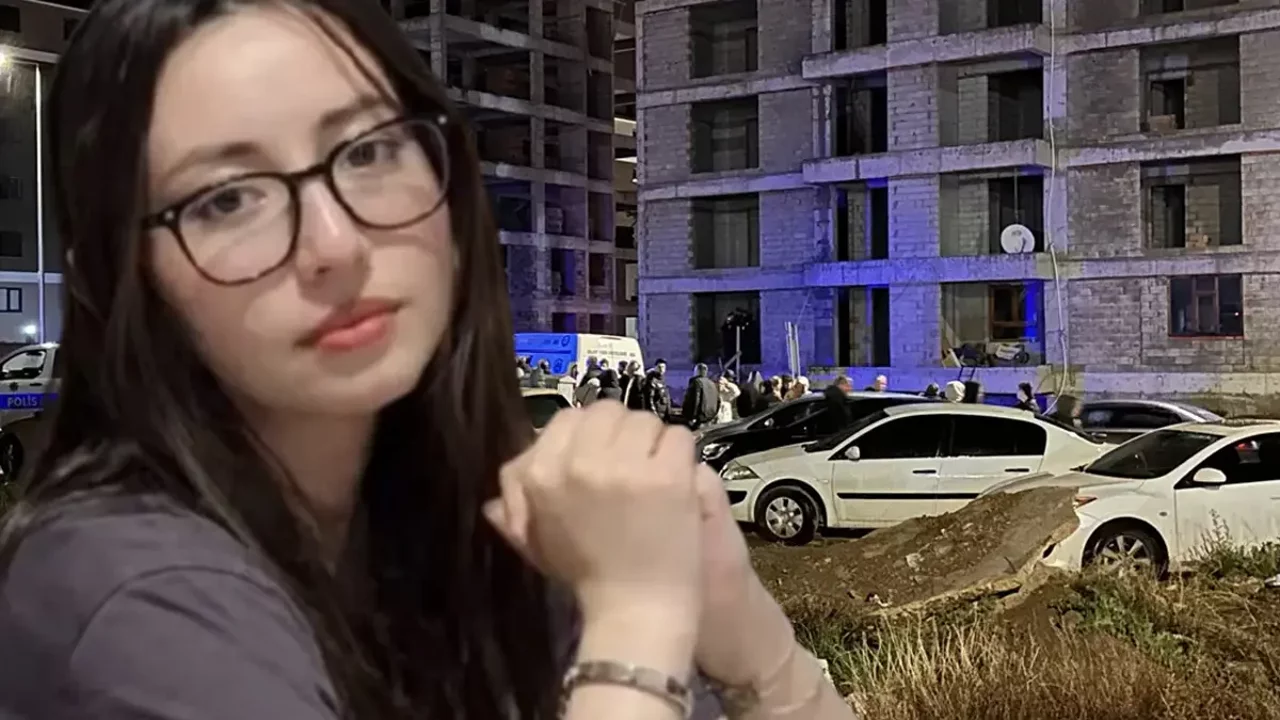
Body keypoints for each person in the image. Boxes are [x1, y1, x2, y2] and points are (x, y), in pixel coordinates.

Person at [0, 3, 855, 720]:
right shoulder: (132, 599)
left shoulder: (469, 519)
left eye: (369, 151)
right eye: (229, 199)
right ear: (115, 277)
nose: (336, 243)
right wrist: (638, 619)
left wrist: (743, 632)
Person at [681, 364, 720, 431]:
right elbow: (718, 401)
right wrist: (713, 415)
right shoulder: (712, 383)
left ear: (697, 371)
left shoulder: (696, 382)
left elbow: (695, 401)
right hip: (709, 419)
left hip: (698, 420)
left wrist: (692, 417)